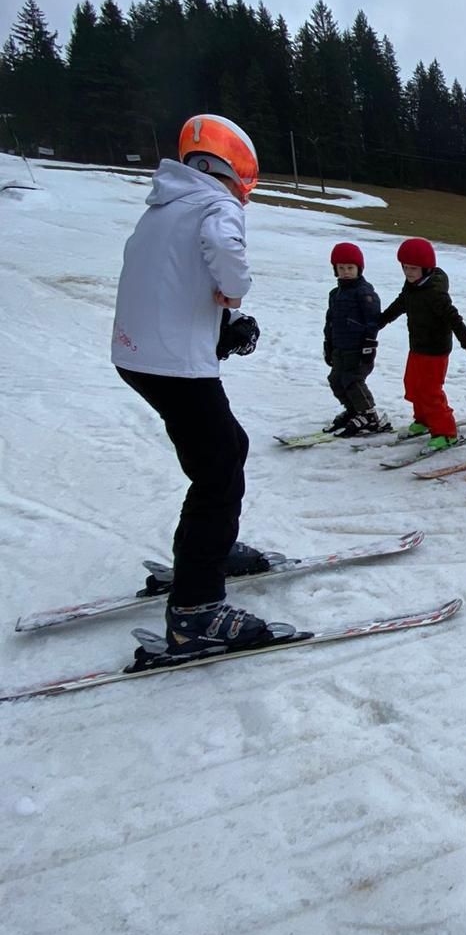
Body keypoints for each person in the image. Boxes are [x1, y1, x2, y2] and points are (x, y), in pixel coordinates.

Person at [111, 112, 272, 657]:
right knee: (219, 469)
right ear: (236, 170)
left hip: (139, 357)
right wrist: (236, 292)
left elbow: (169, 282)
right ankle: (196, 609)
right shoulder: (215, 204)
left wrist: (223, 325)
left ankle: (207, 553)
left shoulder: (163, 206)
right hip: (175, 365)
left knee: (223, 453)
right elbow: (224, 251)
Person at [378, 237, 466, 450]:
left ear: (426, 269)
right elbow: (400, 303)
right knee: (413, 385)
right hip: (417, 346)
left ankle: (446, 432)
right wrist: (379, 322)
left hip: (435, 351)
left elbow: (455, 321)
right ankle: (424, 420)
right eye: (405, 267)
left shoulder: (435, 293)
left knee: (430, 391)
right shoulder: (412, 286)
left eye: (413, 268)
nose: (408, 273)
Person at [323, 242, 388, 437]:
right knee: (336, 380)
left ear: (359, 269)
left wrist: (369, 345)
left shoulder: (364, 293)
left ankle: (369, 415)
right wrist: (328, 345)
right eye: (341, 268)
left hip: (358, 348)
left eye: (350, 268)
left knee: (353, 380)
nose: (346, 272)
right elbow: (330, 321)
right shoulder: (335, 294)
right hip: (340, 347)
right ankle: (353, 410)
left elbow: (373, 321)